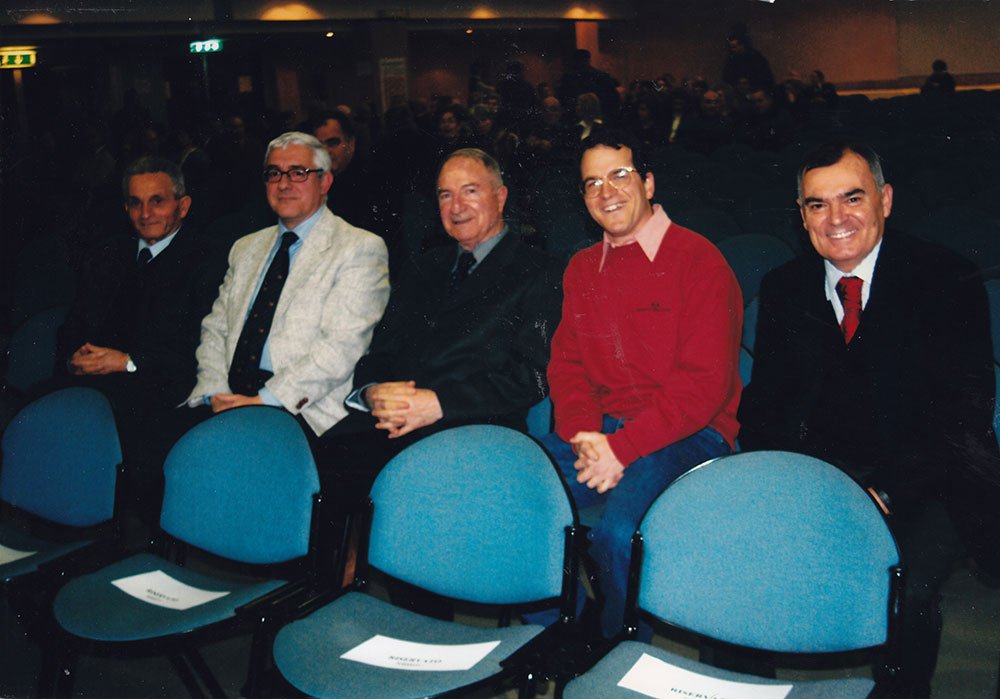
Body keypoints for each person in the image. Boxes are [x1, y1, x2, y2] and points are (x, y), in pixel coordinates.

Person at [738, 142, 999, 697]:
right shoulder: (785, 287)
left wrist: (884, 490)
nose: (836, 219)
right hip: (825, 474)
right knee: (736, 562)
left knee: (903, 587)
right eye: (817, 204)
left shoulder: (945, 278)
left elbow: (963, 417)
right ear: (802, 215)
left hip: (928, 477)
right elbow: (765, 408)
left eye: (852, 198)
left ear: (885, 200)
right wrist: (789, 484)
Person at [540, 129, 743, 638]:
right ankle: (566, 631)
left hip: (690, 434)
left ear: (648, 183)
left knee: (619, 534)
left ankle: (621, 648)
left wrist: (622, 449)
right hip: (603, 432)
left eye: (620, 175)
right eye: (592, 183)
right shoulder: (581, 268)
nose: (606, 192)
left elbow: (703, 387)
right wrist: (585, 435)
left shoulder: (699, 259)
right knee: (515, 495)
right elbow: (567, 366)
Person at [318, 147, 562, 503]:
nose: (456, 206)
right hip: (392, 422)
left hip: (473, 427)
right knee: (311, 469)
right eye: (445, 195)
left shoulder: (539, 271)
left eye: (470, 191)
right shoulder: (424, 266)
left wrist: (438, 403)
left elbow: (532, 377)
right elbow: (381, 349)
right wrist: (373, 392)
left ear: (500, 197)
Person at [185, 132, 389, 442]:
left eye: (298, 173)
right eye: (274, 173)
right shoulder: (246, 247)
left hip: (304, 407)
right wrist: (216, 393)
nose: (283, 184)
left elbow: (341, 348)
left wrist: (262, 402)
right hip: (229, 397)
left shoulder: (358, 248)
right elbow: (216, 329)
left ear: (325, 182)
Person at [58, 156, 225, 521]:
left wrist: (129, 362)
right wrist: (74, 356)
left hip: (161, 390)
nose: (145, 213)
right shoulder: (108, 254)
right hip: (97, 385)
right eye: (135, 203)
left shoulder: (208, 261)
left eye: (157, 201)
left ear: (183, 205)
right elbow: (72, 325)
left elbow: (199, 349)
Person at [310, 109, 375, 231]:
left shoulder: (372, 182)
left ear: (351, 144)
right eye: (319, 146)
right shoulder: (313, 183)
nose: (326, 151)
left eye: (333, 143)